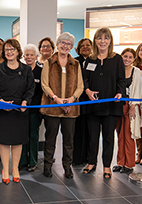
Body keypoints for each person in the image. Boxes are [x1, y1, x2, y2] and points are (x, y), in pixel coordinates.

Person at [82, 27, 125, 179]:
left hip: (111, 105)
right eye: (99, 38)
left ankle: (107, 165)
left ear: (110, 41)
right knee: (92, 136)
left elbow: (121, 80)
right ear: (95, 41)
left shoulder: (117, 59)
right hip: (93, 105)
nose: (102, 41)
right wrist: (87, 91)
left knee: (108, 137)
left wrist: (120, 93)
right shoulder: (89, 59)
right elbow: (84, 80)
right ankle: (91, 162)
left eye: (106, 38)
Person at [0, 39, 35, 184]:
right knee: (4, 141)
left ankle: (15, 169)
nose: (9, 52)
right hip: (2, 109)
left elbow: (30, 89)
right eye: (7, 49)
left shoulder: (26, 69)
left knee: (17, 141)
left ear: (17, 51)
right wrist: (1, 102)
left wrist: (25, 102)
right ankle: (5, 169)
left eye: (12, 49)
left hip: (20, 109)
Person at [40, 32, 84, 179]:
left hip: (70, 109)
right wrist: (56, 99)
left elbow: (80, 86)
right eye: (63, 43)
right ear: (58, 44)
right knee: (50, 139)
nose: (65, 46)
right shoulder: (48, 62)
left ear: (71, 47)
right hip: (52, 107)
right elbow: (44, 84)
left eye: (68, 44)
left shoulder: (76, 64)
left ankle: (67, 167)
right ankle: (47, 166)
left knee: (69, 141)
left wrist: (71, 99)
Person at [112, 48, 142, 174]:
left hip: (130, 106)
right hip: (118, 106)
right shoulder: (117, 70)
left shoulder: (136, 72)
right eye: (125, 56)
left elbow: (138, 89)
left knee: (129, 135)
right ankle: (120, 162)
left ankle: (129, 164)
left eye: (130, 57)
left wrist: (133, 106)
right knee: (120, 135)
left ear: (134, 59)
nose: (127, 59)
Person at [19, 44, 42, 172]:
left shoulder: (40, 71)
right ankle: (22, 161)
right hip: (22, 109)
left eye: (31, 55)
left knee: (33, 135)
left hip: (34, 109)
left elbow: (42, 90)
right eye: (27, 55)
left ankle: (33, 161)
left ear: (36, 56)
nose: (29, 57)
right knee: (22, 135)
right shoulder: (20, 70)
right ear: (23, 56)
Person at [72, 38, 92, 165]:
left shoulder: (95, 61)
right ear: (78, 48)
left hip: (91, 101)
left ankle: (89, 157)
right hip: (78, 100)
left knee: (90, 131)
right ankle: (77, 158)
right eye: (82, 46)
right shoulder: (74, 62)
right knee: (78, 130)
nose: (85, 47)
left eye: (88, 45)